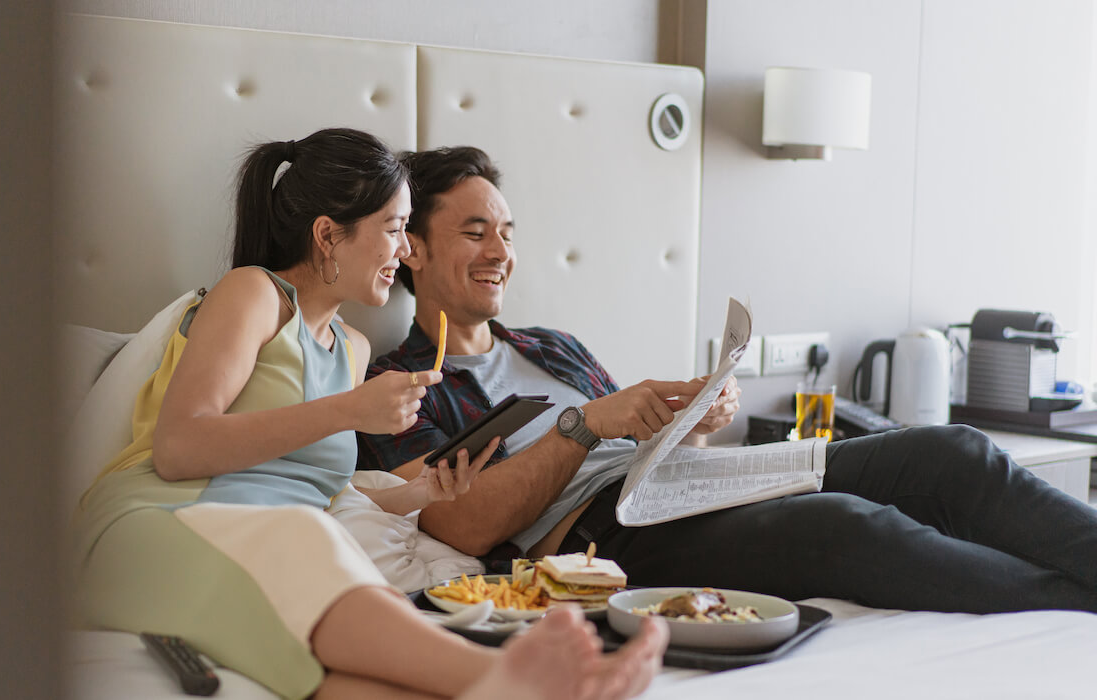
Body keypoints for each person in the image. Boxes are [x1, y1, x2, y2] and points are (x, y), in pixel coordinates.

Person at [357, 145, 1097, 615]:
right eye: (475, 232)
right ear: (412, 248)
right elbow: (464, 527)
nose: (500, 252)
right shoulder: (395, 387)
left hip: (682, 488)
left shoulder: (555, 347)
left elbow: (640, 442)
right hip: (603, 535)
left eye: (508, 233)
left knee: (952, 453)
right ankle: (1073, 605)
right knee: (847, 527)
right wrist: (587, 426)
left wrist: (696, 421)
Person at [71, 129, 667, 700]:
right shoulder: (253, 294)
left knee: (339, 680)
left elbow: (327, 494)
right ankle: (505, 674)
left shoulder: (352, 350)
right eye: (395, 228)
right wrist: (346, 410)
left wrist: (425, 491)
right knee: (306, 538)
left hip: (262, 545)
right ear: (328, 235)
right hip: (160, 525)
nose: (406, 250)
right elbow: (179, 447)